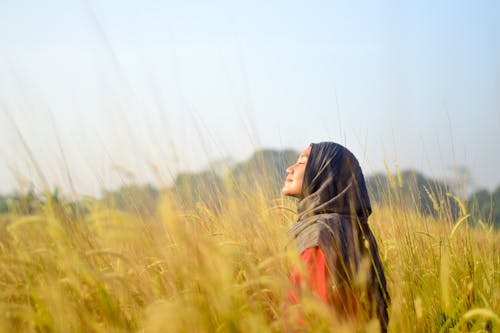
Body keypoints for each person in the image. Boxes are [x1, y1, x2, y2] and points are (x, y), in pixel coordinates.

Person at [282, 142, 390, 332]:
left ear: (324, 174)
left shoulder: (320, 235)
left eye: (301, 162)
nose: (289, 169)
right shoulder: (355, 230)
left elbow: (313, 320)